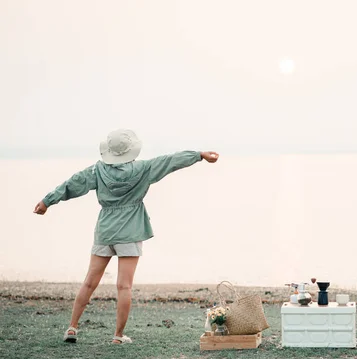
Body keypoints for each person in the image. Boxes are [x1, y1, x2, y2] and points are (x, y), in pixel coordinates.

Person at [33, 129, 219, 344]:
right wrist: (199, 155)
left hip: (105, 231)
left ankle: (72, 328)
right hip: (130, 232)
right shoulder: (143, 169)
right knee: (124, 286)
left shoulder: (97, 170)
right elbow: (171, 161)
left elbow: (73, 184)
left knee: (89, 283)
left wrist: (47, 201)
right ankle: (118, 336)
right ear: (130, 151)